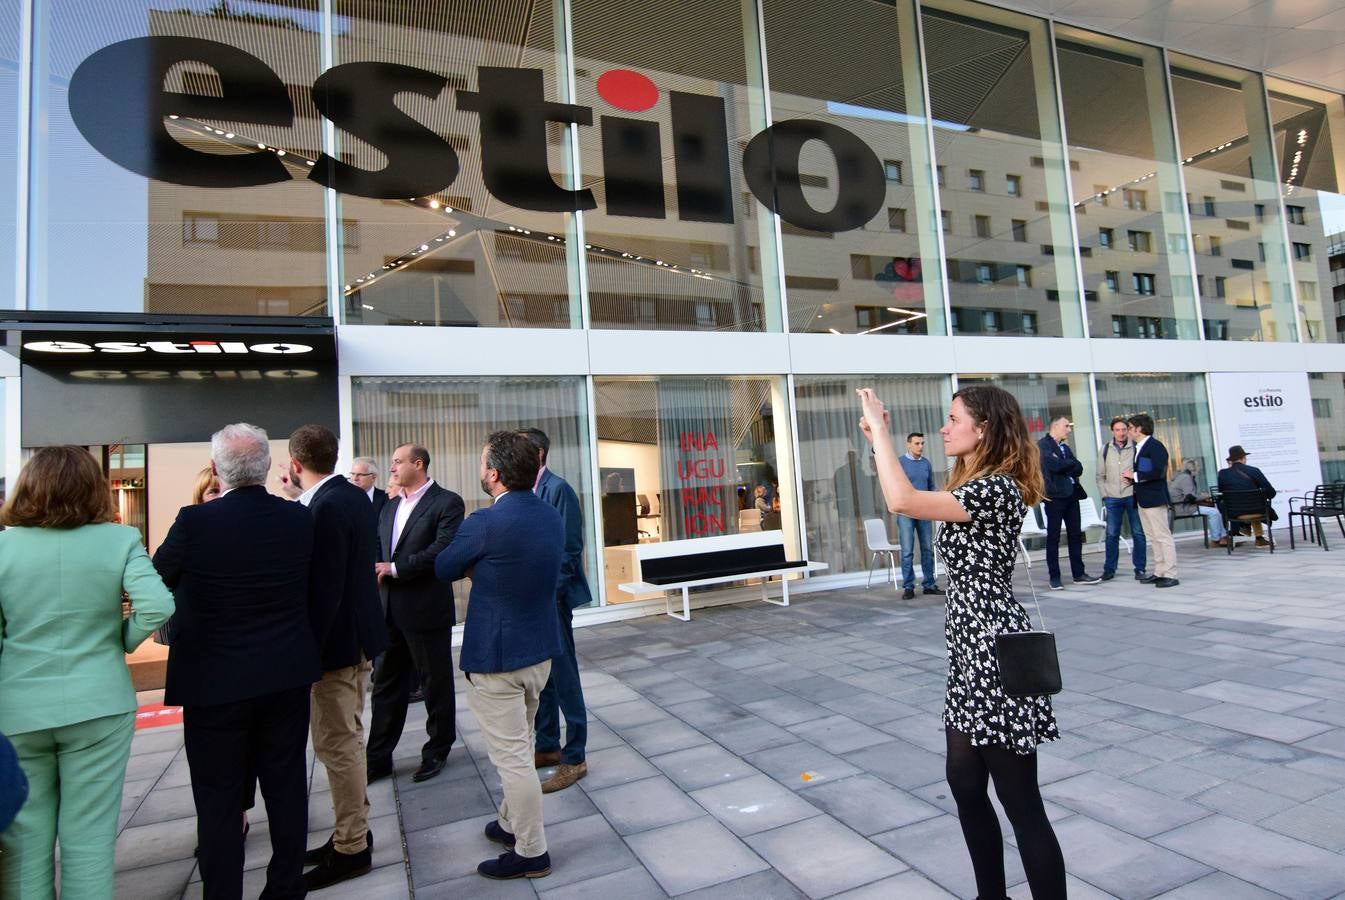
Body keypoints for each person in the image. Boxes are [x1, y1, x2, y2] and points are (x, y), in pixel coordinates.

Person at [857, 385, 1065, 900]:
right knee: (967, 786)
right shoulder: (972, 483)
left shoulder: (997, 488)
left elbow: (901, 500)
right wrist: (878, 439)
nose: (944, 428)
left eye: (953, 419)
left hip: (993, 653)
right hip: (969, 653)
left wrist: (882, 433)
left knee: (1021, 803)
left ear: (984, 428)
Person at [154, 423, 322, 900]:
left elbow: (156, 582)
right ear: (268, 466)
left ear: (215, 469)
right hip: (285, 673)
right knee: (286, 785)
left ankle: (223, 891)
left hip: (214, 683)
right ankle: (286, 886)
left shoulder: (194, 522)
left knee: (218, 798)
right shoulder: (297, 519)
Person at [0, 447, 174, 900]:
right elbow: (158, 605)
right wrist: (119, 640)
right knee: (89, 841)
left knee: (22, 844)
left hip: (16, 709)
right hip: (99, 701)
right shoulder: (118, 540)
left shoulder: (3, 546)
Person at [435, 431, 564, 881]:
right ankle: (511, 823)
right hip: (540, 653)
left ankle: (531, 851)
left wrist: (477, 566)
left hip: (498, 659)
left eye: (482, 462)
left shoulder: (484, 522)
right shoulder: (550, 515)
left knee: (512, 759)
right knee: (522, 746)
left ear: (493, 473)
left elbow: (442, 568)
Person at [287, 426, 390, 890]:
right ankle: (350, 833)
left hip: (337, 647)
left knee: (337, 744)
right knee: (344, 738)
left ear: (294, 463)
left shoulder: (326, 506)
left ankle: (352, 845)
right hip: (358, 637)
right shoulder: (351, 497)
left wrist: (309, 655)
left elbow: (325, 589)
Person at [367, 443, 465, 784]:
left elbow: (442, 549)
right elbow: (378, 547)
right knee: (385, 686)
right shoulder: (390, 506)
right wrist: (380, 569)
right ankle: (377, 757)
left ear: (418, 463)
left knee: (434, 683)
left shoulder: (446, 502)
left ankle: (438, 749)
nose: (391, 468)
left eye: (398, 462)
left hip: (425, 609)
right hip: (389, 610)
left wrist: (395, 568)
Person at [520, 428, 591, 794]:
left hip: (552, 599)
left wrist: (549, 593)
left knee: (564, 676)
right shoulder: (523, 491)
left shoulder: (557, 489)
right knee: (542, 676)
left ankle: (575, 756)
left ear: (539, 453)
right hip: (533, 599)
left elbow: (569, 549)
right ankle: (547, 745)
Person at [1038, 417, 1100, 589]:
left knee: (1075, 535)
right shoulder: (1043, 445)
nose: (1069, 429)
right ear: (1056, 426)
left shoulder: (1064, 448)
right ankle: (1055, 577)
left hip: (1072, 495)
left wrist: (1067, 463)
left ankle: (1079, 574)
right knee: (1054, 537)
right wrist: (1068, 464)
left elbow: (1078, 468)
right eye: (1066, 426)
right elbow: (1053, 465)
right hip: (1055, 497)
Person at [1123, 414, 1178, 587]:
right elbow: (1147, 472)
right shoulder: (1140, 447)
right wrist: (1133, 478)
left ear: (1139, 429)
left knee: (1162, 536)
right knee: (1154, 537)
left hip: (1154, 498)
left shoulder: (1155, 446)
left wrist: (1135, 475)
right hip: (1143, 498)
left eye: (1130, 428)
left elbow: (1158, 471)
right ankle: (1159, 571)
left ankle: (1170, 573)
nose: (1128, 431)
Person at [1096, 417, 1148, 578]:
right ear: (1112, 431)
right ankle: (1109, 569)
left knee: (1138, 533)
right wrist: (1105, 495)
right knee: (1112, 534)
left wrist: (1134, 479)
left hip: (1131, 495)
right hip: (1112, 497)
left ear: (1128, 430)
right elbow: (1099, 476)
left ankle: (1140, 568)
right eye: (1117, 430)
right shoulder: (1105, 449)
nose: (1121, 433)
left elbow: (1144, 471)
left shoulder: (1135, 448)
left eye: (1124, 429)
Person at [897, 432, 943, 600]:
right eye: (917, 443)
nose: (920, 446)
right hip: (906, 513)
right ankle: (908, 586)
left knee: (927, 549)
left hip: (924, 512)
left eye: (922, 443)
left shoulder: (926, 464)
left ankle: (929, 584)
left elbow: (931, 487)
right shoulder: (900, 463)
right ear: (908, 444)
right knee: (907, 551)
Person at [1217, 445, 1277, 546]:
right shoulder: (1254, 471)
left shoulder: (1223, 474)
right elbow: (1271, 493)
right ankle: (1258, 537)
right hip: (1257, 511)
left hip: (1234, 513)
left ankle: (1244, 527)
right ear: (1243, 458)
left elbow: (1222, 492)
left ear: (1231, 460)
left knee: (1235, 503)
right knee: (1255, 503)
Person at [1169, 458, 1227, 547]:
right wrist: (1207, 496)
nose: (1199, 468)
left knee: (1214, 511)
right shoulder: (1186, 478)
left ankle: (1223, 537)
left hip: (1180, 506)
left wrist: (1201, 495)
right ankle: (1216, 540)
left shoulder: (1182, 476)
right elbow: (1190, 497)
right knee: (1214, 512)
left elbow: (1188, 495)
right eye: (1198, 466)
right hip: (1183, 508)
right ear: (1193, 468)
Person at [348, 455, 389, 521]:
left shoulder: (386, 499)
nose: (355, 478)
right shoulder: (343, 499)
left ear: (373, 477)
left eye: (360, 474)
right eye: (352, 474)